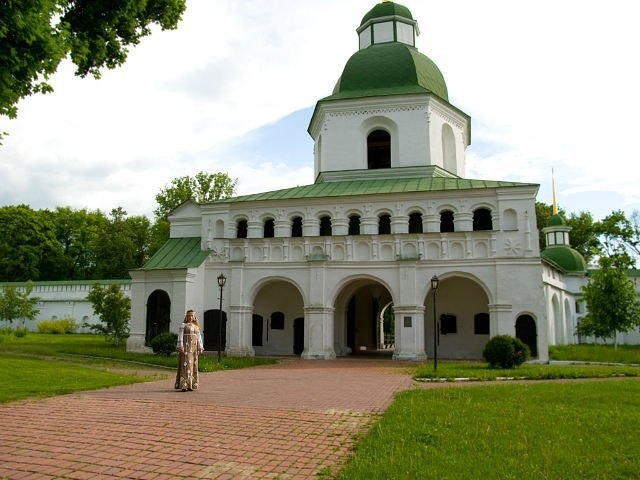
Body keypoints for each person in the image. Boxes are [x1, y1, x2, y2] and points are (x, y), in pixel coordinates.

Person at [175, 309, 204, 391]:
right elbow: (180, 336)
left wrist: (200, 347)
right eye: (189, 316)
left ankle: (191, 384)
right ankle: (184, 384)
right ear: (186, 317)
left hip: (193, 350)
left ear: (194, 317)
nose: (190, 317)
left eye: (192, 316)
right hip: (186, 348)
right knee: (186, 365)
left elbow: (199, 338)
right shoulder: (183, 325)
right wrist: (180, 346)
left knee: (193, 365)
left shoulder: (196, 327)